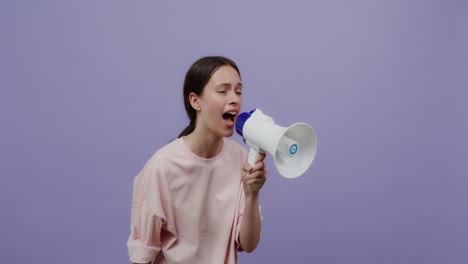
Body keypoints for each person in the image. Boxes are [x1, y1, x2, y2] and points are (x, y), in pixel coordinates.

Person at [127, 56, 267, 264]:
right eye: (223, 91)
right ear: (195, 101)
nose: (235, 99)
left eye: (238, 91)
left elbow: (248, 244)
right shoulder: (161, 168)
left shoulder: (240, 158)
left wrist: (252, 194)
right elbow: (142, 256)